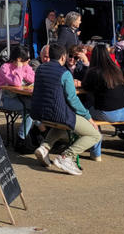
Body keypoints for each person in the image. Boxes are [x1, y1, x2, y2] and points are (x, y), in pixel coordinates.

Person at [31, 43, 101, 176]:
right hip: (58, 113)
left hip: (40, 112)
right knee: (95, 135)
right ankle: (67, 157)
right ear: (63, 57)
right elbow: (73, 99)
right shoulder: (65, 73)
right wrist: (88, 117)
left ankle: (45, 147)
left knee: (61, 125)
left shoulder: (40, 69)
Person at [81, 44, 124, 161]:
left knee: (86, 114)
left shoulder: (94, 71)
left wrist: (85, 65)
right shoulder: (116, 69)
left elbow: (86, 87)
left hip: (109, 112)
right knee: (111, 116)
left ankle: (96, 152)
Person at [0, 45, 35, 152]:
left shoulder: (25, 66)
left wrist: (23, 71)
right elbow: (17, 83)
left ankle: (22, 138)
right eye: (26, 59)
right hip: (3, 99)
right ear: (18, 59)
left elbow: (33, 78)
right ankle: (21, 140)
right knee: (29, 109)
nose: (29, 60)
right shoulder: (5, 68)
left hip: (18, 98)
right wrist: (19, 68)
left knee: (31, 112)